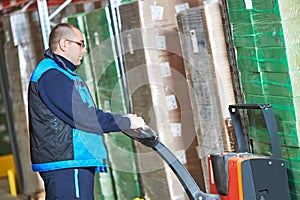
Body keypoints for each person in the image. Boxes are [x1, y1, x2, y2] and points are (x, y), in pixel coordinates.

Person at [28, 23, 145, 200]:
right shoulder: (53, 77)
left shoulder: (62, 74)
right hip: (66, 163)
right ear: (64, 44)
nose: (84, 50)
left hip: (70, 161)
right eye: (81, 44)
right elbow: (84, 116)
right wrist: (125, 122)